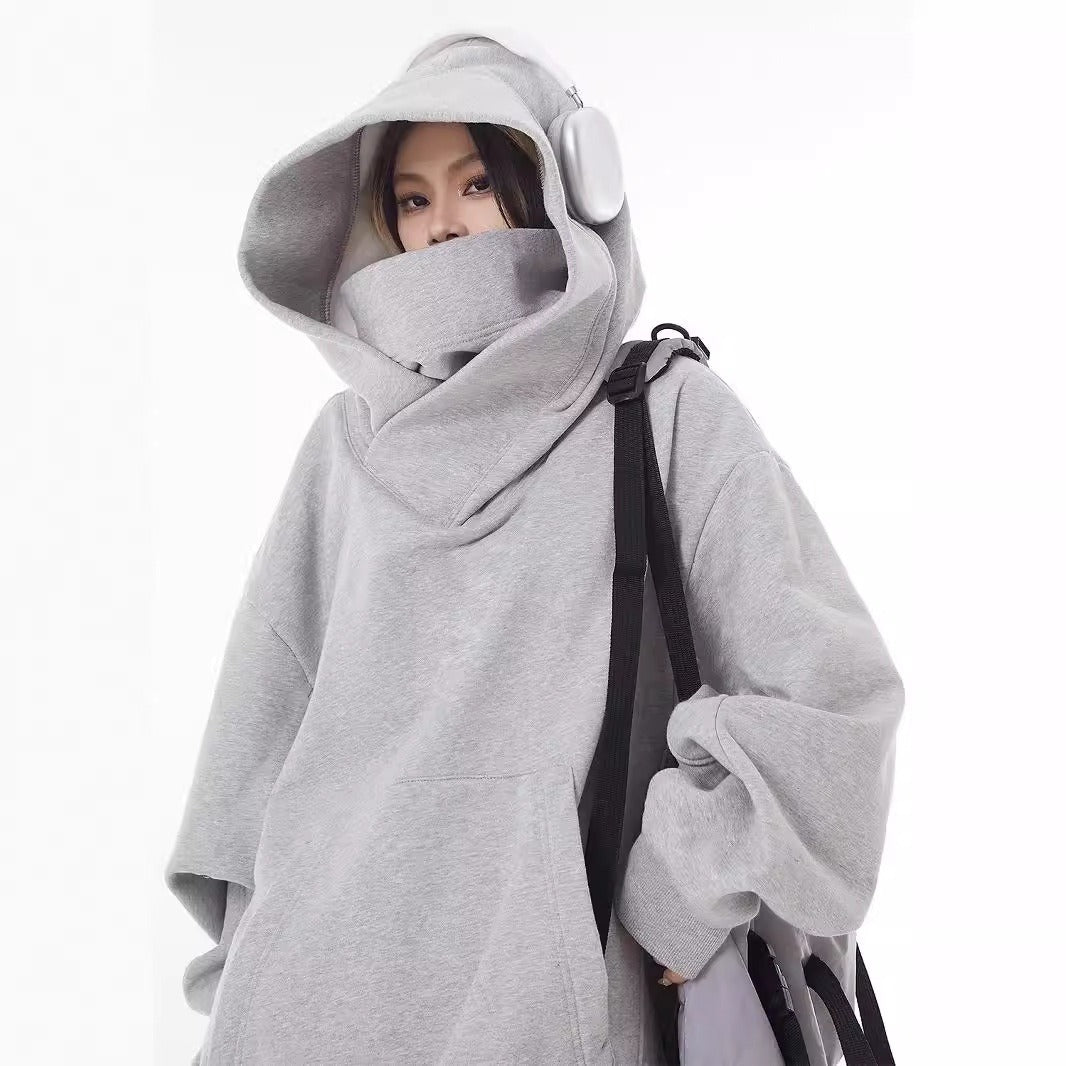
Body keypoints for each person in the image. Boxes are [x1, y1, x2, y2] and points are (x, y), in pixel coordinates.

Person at [164, 32, 905, 1066]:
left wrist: (681, 895)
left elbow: (830, 702)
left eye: (477, 182)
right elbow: (257, 745)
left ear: (566, 186)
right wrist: (248, 963)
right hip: (312, 1009)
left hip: (553, 1015)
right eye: (411, 199)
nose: (441, 224)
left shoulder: (664, 415)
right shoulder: (342, 450)